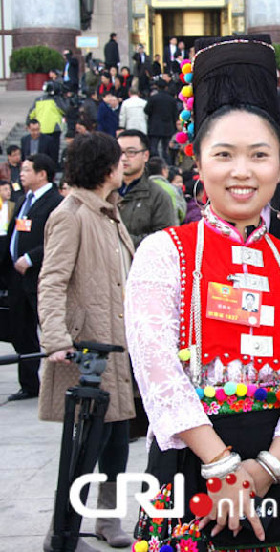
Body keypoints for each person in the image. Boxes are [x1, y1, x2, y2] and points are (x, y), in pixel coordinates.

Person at [125, 34, 280, 552]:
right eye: (224, 154)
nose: (242, 171)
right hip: (189, 467)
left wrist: (266, 469)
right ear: (199, 166)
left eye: (259, 155)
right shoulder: (164, 252)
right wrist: (219, 464)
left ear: (279, 165)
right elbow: (156, 368)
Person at [37, 132, 136, 550]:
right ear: (105, 168)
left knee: (115, 445)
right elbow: (52, 280)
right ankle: (61, 529)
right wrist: (56, 338)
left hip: (116, 349)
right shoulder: (71, 214)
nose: (125, 164)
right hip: (87, 353)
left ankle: (107, 521)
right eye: (119, 159)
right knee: (84, 448)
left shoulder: (108, 213)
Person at [6, 154, 63, 401]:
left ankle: (59, 385)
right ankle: (30, 384)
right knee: (21, 331)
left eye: (27, 169)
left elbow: (57, 239)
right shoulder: (23, 200)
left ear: (42, 174)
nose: (22, 173)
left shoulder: (55, 202)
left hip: (41, 276)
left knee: (49, 330)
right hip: (17, 278)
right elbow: (12, 233)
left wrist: (31, 258)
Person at [116, 129, 179, 247]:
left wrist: (119, 240)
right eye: (119, 152)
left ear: (145, 155)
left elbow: (165, 241)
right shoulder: (105, 190)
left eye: (131, 152)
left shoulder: (158, 195)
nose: (123, 158)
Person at [145, 79, 180, 162]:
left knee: (153, 147)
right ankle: (168, 164)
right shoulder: (171, 100)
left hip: (155, 126)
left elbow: (146, 110)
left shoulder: (153, 98)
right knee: (166, 149)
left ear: (157, 87)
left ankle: (154, 162)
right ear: (166, 87)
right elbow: (175, 113)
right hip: (168, 126)